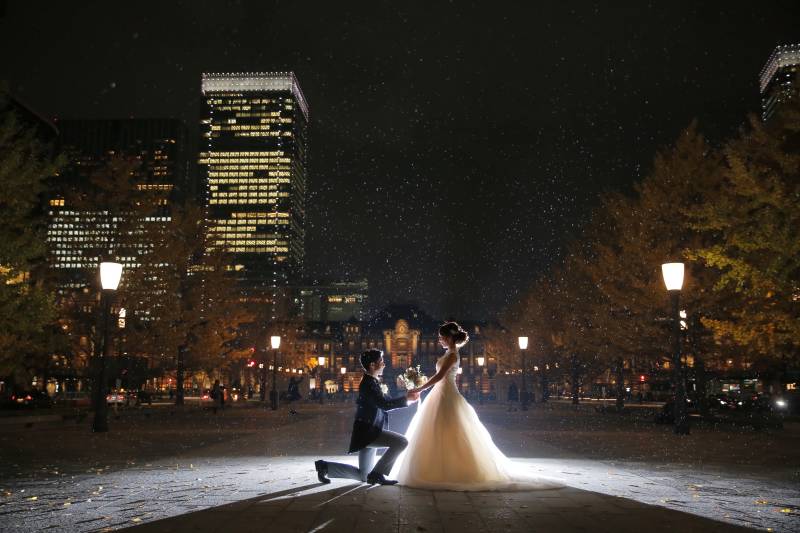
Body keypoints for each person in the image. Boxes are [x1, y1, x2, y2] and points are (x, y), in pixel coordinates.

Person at [392, 322, 561, 491]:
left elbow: (440, 376)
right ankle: (443, 466)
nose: (439, 340)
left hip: (446, 394)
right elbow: (438, 376)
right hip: (441, 393)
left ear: (449, 338)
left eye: (441, 337)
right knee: (442, 429)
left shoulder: (452, 355)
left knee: (444, 428)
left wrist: (420, 388)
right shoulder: (449, 354)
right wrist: (422, 385)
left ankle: (443, 468)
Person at [314, 349, 419, 485]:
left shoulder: (372, 381)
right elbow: (384, 404)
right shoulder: (369, 384)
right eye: (381, 361)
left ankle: (325, 467)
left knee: (364, 476)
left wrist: (406, 395)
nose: (384, 364)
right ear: (372, 365)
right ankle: (378, 474)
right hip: (369, 432)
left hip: (367, 430)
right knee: (402, 442)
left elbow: (385, 401)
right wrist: (406, 399)